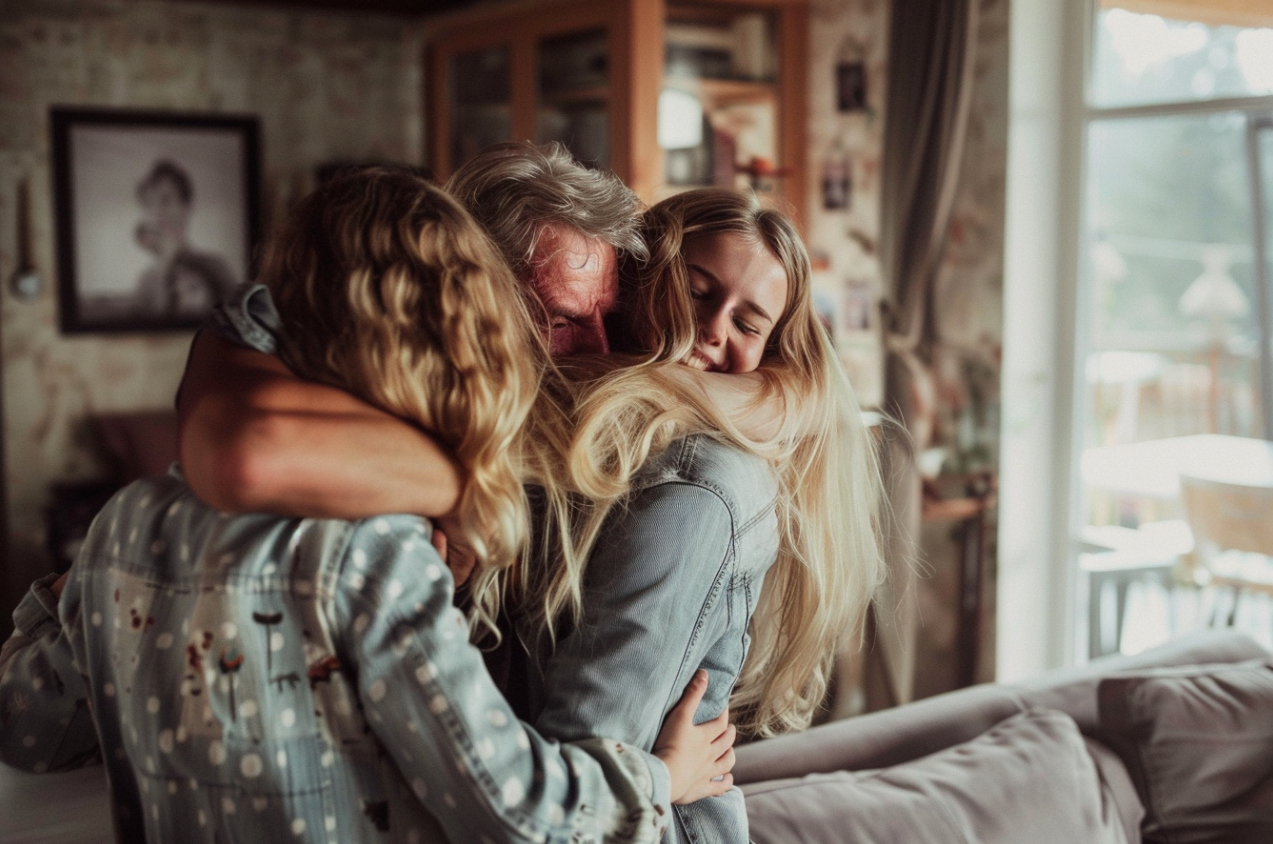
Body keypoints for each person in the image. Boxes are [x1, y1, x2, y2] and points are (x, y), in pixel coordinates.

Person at [0, 167, 737, 844]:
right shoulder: (374, 550)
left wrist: (72, 593)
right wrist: (662, 779)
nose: (596, 354)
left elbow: (27, 728)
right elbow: (516, 811)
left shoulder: (129, 520)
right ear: (454, 329)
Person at [514, 188, 884, 844]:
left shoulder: (690, 486)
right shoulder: (599, 447)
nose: (713, 328)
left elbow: (588, 755)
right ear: (640, 279)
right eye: (697, 289)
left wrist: (664, 779)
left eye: (747, 323)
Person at [134, 159, 239, 318]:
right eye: (149, 204)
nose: (157, 212)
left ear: (186, 205)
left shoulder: (217, 268)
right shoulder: (146, 283)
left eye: (165, 200)